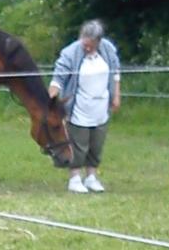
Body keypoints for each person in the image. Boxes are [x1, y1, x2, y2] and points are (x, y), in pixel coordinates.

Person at [48, 20, 121, 193]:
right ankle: (74, 179)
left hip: (101, 107)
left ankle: (91, 177)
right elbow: (58, 78)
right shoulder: (70, 53)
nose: (87, 48)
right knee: (78, 145)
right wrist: (50, 100)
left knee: (96, 145)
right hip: (79, 107)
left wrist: (116, 95)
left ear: (99, 42)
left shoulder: (108, 49)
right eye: (85, 44)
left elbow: (116, 72)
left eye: (91, 45)